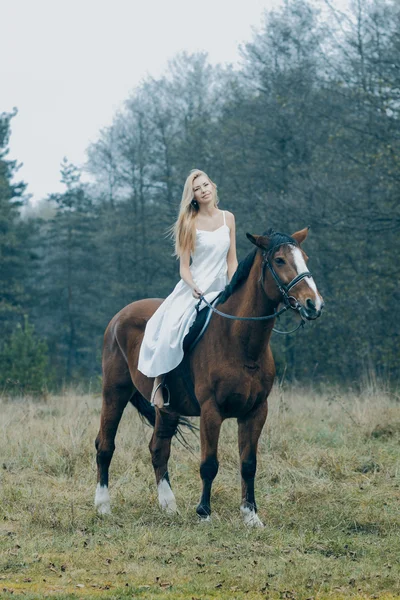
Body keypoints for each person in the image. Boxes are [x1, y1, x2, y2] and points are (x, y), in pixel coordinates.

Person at [137, 169, 238, 408]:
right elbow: (184, 267)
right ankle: (159, 382)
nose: (203, 191)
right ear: (192, 196)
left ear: (213, 186)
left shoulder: (228, 218)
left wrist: (234, 286)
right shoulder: (188, 222)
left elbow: (232, 259)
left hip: (222, 284)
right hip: (197, 285)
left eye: (205, 185)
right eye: (197, 189)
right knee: (171, 326)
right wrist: (192, 286)